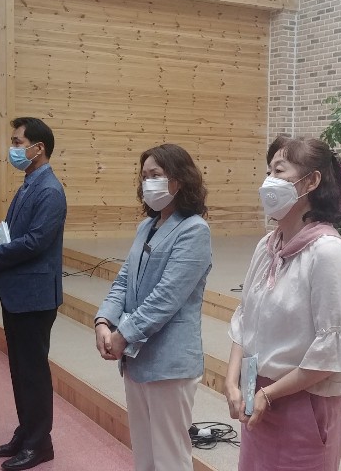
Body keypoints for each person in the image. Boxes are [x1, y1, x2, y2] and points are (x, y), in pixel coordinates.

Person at [225, 136, 341, 471]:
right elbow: (245, 319)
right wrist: (232, 380)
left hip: (302, 404)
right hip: (258, 395)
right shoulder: (267, 246)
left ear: (311, 181)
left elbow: (331, 353)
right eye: (268, 171)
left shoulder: (326, 252)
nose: (268, 181)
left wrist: (270, 394)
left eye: (279, 171)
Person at [93, 143, 212, 471]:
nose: (147, 182)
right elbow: (123, 281)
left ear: (178, 180)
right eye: (144, 176)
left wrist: (122, 335)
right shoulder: (146, 227)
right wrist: (104, 321)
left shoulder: (194, 230)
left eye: (155, 175)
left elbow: (165, 298)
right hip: (137, 358)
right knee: (144, 456)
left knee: (170, 459)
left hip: (169, 362)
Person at [0, 117, 67, 471]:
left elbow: (35, 242)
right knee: (20, 370)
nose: (12, 148)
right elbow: (13, 233)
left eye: (17, 142)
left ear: (38, 148)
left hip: (34, 297)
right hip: (18, 292)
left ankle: (40, 444)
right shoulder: (30, 183)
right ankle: (26, 432)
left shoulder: (50, 190)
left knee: (33, 373)